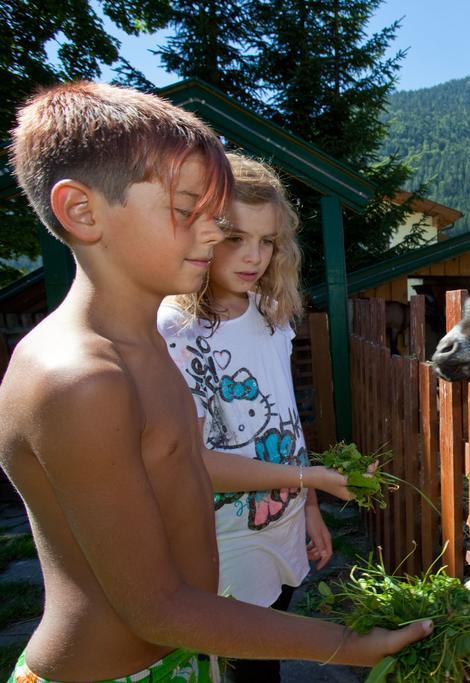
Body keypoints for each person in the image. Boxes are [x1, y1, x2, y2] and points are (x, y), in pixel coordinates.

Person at [0, 81, 429, 683]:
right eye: (187, 210)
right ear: (82, 211)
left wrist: (301, 497)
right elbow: (158, 608)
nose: (211, 232)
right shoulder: (80, 380)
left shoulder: (141, 341)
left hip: (178, 659)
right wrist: (345, 645)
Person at [157, 153, 332, 682]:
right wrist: (307, 480)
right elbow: (192, 461)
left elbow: (288, 421)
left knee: (268, 647)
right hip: (222, 537)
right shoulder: (174, 329)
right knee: (243, 665)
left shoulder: (271, 315)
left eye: (267, 241)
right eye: (235, 237)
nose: (253, 256)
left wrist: (309, 506)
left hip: (283, 521)